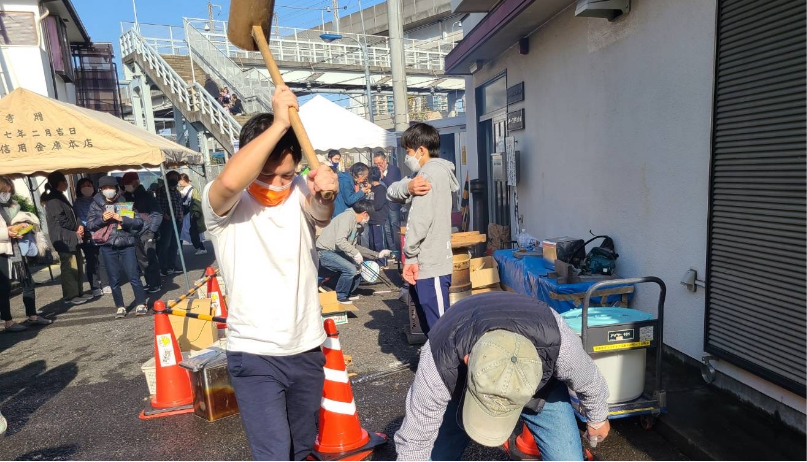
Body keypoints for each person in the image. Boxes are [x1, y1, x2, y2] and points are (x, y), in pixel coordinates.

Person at [202, 85, 339, 461]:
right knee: (274, 453)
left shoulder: (299, 190)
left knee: (302, 448)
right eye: (270, 175)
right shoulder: (222, 202)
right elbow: (231, 182)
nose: (279, 184)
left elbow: (320, 213)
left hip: (307, 346)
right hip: (255, 353)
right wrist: (280, 122)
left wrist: (326, 194)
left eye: (287, 174)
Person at [395, 292, 612, 461]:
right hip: (465, 384)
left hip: (541, 389)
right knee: (436, 455)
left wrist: (598, 416)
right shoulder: (440, 357)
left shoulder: (561, 345)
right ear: (468, 359)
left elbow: (590, 380)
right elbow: (415, 440)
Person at [387, 123, 459, 335]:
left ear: (421, 150)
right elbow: (392, 191)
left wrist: (410, 254)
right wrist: (407, 187)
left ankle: (445, 367)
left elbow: (420, 220)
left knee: (440, 329)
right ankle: (437, 364)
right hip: (429, 260)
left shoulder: (427, 176)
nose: (407, 157)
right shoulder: (430, 172)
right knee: (435, 325)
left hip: (430, 262)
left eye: (408, 152)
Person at [87, 176, 148, 318]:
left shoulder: (125, 202)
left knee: (134, 276)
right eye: (105, 188)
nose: (108, 190)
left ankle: (141, 303)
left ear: (117, 189)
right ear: (101, 190)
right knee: (113, 279)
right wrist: (102, 219)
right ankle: (120, 306)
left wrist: (123, 219)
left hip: (126, 244)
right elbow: (90, 225)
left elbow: (139, 222)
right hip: (108, 246)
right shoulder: (95, 205)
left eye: (111, 188)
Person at [0, 177, 51, 332]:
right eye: (4, 191)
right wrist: (6, 232)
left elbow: (15, 223)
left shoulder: (13, 206)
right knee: (3, 288)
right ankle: (8, 321)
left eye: (9, 191)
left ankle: (32, 315)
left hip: (17, 249)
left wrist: (23, 225)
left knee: (28, 282)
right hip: (3, 251)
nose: (7, 194)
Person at [316, 200, 391, 303]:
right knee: (350, 269)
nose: (368, 220)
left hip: (336, 251)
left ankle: (339, 289)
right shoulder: (347, 218)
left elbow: (354, 245)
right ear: (364, 213)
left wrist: (377, 254)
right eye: (369, 216)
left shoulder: (355, 223)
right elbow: (340, 241)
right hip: (325, 251)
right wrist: (355, 253)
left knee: (360, 269)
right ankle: (340, 296)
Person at [42, 172, 93, 306]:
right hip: (63, 238)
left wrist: (80, 226)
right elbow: (62, 220)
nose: (65, 183)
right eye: (64, 181)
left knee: (77, 264)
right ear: (58, 182)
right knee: (70, 267)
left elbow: (72, 216)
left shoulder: (60, 197)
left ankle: (78, 292)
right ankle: (71, 295)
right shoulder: (53, 200)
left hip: (72, 237)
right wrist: (77, 228)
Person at [122, 173, 164, 293]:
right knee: (141, 260)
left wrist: (151, 230)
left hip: (147, 231)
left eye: (127, 184)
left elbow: (157, 214)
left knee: (150, 257)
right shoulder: (126, 197)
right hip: (134, 232)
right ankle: (150, 281)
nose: (126, 186)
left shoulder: (147, 196)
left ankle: (155, 283)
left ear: (135, 182)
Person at [73, 178, 108, 297]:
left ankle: (106, 283)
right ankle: (94, 286)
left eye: (89, 185)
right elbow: (82, 219)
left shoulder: (99, 200)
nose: (87, 187)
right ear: (79, 189)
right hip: (88, 235)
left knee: (103, 259)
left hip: (103, 233)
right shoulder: (77, 203)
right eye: (83, 186)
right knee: (91, 261)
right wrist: (95, 224)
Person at [373, 151, 402, 253]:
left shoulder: (394, 170)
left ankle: (398, 250)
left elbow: (394, 185)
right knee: (386, 229)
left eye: (379, 163)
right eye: (375, 164)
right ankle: (391, 250)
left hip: (393, 204)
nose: (378, 166)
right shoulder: (375, 171)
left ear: (385, 160)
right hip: (383, 206)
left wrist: (383, 177)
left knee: (395, 227)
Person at [156, 170, 184, 276]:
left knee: (174, 244)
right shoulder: (161, 191)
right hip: (166, 222)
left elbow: (180, 205)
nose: (174, 180)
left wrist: (181, 214)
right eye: (172, 178)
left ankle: (172, 265)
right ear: (167, 179)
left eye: (176, 179)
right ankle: (163, 267)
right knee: (165, 245)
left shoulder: (177, 192)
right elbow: (158, 205)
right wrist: (164, 215)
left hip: (177, 221)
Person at [178, 174, 207, 255]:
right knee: (186, 231)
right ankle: (198, 247)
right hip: (187, 213)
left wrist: (195, 213)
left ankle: (200, 247)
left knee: (190, 231)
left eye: (179, 180)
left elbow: (197, 202)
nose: (179, 183)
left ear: (183, 180)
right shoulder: (183, 189)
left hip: (190, 214)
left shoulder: (193, 189)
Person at [367, 167, 389, 259]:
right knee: (372, 243)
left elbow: (378, 205)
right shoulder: (371, 189)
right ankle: (374, 261)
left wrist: (368, 206)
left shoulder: (381, 189)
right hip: (371, 219)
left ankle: (382, 262)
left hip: (379, 220)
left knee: (379, 243)